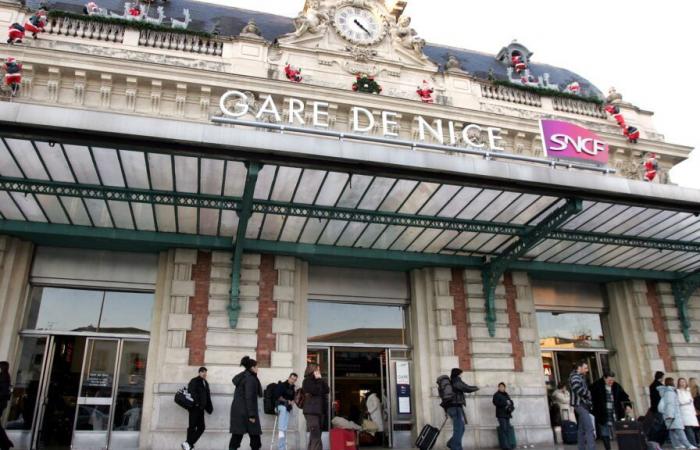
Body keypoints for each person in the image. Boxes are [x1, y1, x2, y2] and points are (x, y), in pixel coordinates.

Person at [591, 371, 631, 450]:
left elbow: (624, 396)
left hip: (615, 412)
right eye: (609, 380)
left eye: (612, 380)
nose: (611, 382)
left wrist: (628, 405)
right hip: (602, 413)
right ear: (604, 379)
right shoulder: (597, 386)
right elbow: (590, 396)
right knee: (604, 431)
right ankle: (608, 448)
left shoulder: (616, 386)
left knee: (618, 430)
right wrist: (594, 408)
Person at [229, 356, 262, 450]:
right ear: (252, 368)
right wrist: (252, 415)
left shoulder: (244, 376)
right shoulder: (250, 379)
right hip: (246, 412)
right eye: (257, 367)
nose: (258, 369)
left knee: (237, 436)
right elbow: (249, 397)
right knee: (255, 439)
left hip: (239, 411)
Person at [443, 368, 479, 450]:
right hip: (455, 407)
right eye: (461, 373)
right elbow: (466, 388)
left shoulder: (451, 381)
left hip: (452, 407)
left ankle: (452, 443)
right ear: (458, 374)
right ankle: (455, 447)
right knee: (459, 429)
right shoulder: (456, 381)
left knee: (461, 428)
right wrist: (477, 387)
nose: (462, 375)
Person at [658, 377, 698, 449]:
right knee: (679, 430)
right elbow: (670, 404)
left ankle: (677, 444)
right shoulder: (670, 392)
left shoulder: (669, 392)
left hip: (673, 414)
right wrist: (670, 415)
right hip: (673, 414)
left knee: (672, 430)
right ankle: (688, 445)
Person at [182, 367, 213, 450]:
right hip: (194, 408)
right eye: (203, 372)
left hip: (201, 409)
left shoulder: (205, 382)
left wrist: (209, 407)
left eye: (205, 372)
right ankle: (188, 445)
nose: (204, 374)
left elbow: (207, 396)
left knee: (201, 427)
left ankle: (188, 443)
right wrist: (197, 403)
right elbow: (191, 392)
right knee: (192, 427)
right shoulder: (194, 381)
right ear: (199, 372)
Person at [302, 363, 329, 450]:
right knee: (315, 437)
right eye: (318, 369)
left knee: (315, 437)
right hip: (311, 412)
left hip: (320, 412)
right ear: (313, 370)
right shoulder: (307, 381)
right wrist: (318, 380)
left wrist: (320, 379)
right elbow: (315, 391)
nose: (319, 371)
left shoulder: (319, 380)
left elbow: (327, 390)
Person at [569, 360, 595, 450]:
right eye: (585, 368)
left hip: (581, 405)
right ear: (579, 368)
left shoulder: (578, 377)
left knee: (582, 429)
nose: (587, 370)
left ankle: (581, 448)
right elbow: (577, 389)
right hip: (580, 404)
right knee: (589, 428)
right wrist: (588, 393)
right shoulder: (575, 377)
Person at [273, 372, 298, 450]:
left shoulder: (293, 388)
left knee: (284, 428)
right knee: (283, 410)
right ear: (289, 377)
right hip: (279, 406)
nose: (293, 381)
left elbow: (293, 398)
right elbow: (277, 396)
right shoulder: (282, 385)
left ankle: (282, 447)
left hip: (287, 408)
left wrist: (293, 401)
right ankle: (281, 429)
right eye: (292, 379)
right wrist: (287, 401)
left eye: (294, 380)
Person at [493, 382, 515, 450]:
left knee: (507, 429)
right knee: (504, 429)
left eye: (503, 387)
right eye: (500, 387)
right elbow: (495, 403)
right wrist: (505, 402)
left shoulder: (506, 394)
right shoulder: (496, 395)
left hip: (507, 414)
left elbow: (510, 402)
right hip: (501, 415)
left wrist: (511, 403)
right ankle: (505, 446)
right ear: (498, 387)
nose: (502, 388)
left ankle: (508, 444)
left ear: (505, 388)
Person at [678, 378, 699, 447]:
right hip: (684, 412)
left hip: (690, 412)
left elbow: (692, 402)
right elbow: (679, 401)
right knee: (688, 428)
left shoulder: (688, 391)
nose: (683, 383)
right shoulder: (678, 391)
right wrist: (687, 402)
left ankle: (694, 443)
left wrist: (694, 411)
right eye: (681, 382)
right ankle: (693, 444)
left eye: (684, 382)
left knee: (692, 428)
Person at [0, 361, 14, 450]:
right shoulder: (3, 375)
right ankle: (5, 443)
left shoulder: (4, 376)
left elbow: (3, 392)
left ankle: (6, 443)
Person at [690, 378, 700, 443]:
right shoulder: (691, 395)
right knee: (696, 428)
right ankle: (697, 441)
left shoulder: (697, 396)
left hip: (697, 412)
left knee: (696, 428)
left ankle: (697, 441)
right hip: (694, 412)